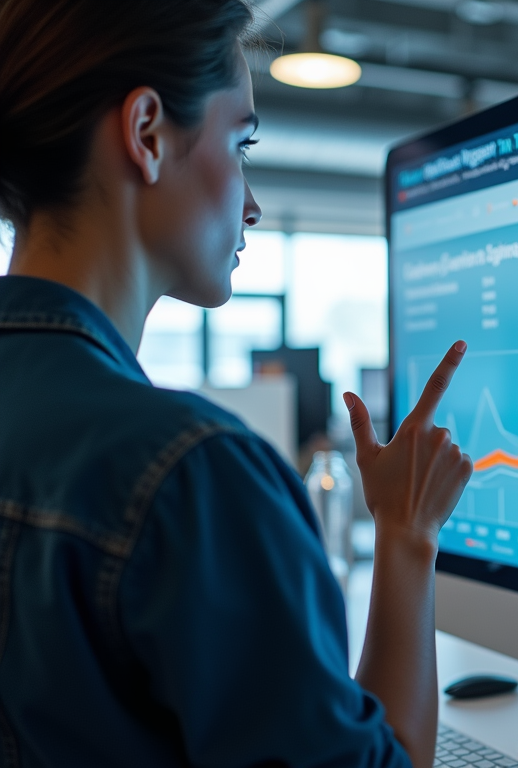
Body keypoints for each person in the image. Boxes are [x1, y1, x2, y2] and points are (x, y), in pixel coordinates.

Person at [0, 1, 472, 766]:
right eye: (240, 141)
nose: (251, 205)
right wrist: (407, 533)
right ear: (147, 134)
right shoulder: (190, 476)